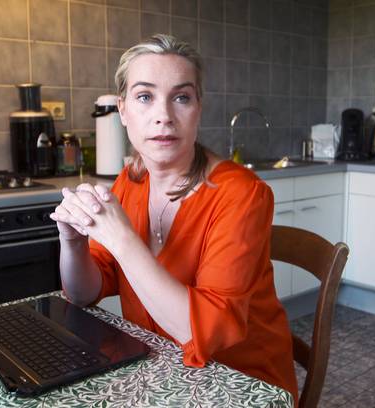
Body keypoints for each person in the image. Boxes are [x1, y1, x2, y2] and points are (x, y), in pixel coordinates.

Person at [50, 34, 299, 400]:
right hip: (157, 369)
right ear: (123, 109)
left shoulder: (241, 194)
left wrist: (122, 239)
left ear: (198, 108)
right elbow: (83, 293)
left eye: (181, 97)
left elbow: (204, 333)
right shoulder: (130, 181)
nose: (163, 116)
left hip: (239, 384)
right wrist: (73, 242)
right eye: (145, 97)